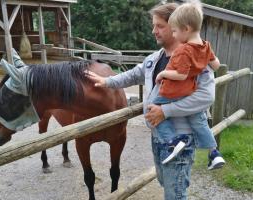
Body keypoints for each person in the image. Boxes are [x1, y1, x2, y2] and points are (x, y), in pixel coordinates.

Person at [86, 2, 216, 200]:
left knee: (175, 194)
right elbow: (130, 75)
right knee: (166, 184)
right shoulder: (154, 59)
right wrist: (106, 81)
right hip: (159, 137)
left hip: (181, 137)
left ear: (177, 28)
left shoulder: (196, 60)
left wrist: (166, 111)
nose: (153, 31)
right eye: (153, 25)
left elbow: (206, 97)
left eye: (159, 26)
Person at [152, 0, 225, 169]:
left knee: (153, 109)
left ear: (186, 29)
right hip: (191, 90)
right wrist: (203, 63)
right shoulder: (206, 46)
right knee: (199, 120)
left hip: (175, 91)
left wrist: (162, 73)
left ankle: (173, 139)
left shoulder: (184, 49)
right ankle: (214, 153)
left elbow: (181, 74)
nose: (175, 35)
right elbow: (216, 65)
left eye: (175, 31)